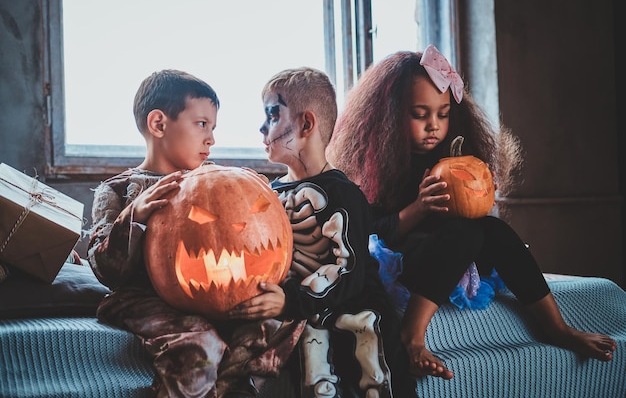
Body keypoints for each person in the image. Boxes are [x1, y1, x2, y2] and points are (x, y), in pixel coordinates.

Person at [326, 45, 617, 380]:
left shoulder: (454, 152)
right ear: (389, 117)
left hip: (454, 254)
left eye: (443, 113)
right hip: (405, 258)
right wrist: (419, 208)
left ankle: (557, 328)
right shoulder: (374, 167)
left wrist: (478, 189)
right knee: (467, 232)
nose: (434, 125)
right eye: (420, 115)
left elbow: (469, 217)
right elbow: (375, 233)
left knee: (491, 229)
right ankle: (411, 337)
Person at [87, 69, 304, 398]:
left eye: (213, 127)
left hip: (216, 295)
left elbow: (243, 240)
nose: (211, 139)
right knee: (198, 341)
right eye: (202, 124)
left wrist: (281, 296)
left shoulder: (218, 180)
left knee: (283, 316)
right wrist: (135, 216)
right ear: (159, 124)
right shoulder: (117, 191)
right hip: (144, 299)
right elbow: (106, 270)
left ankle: (232, 387)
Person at [229, 67, 417, 398]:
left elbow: (351, 272)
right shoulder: (267, 194)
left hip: (352, 304)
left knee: (370, 356)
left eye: (272, 116)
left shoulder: (344, 194)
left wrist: (290, 301)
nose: (261, 128)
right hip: (298, 312)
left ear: (305, 124)